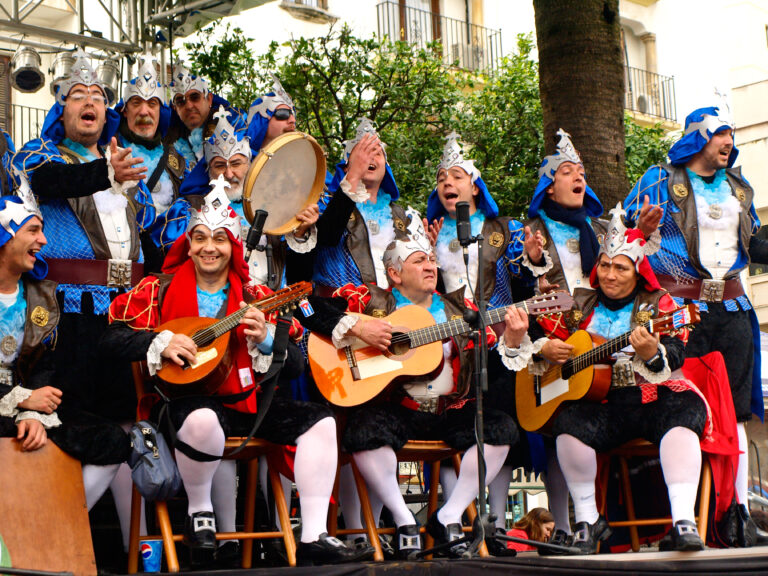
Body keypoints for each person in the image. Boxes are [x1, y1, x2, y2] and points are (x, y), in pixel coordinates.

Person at [103, 185, 367, 567]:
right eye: (200, 238)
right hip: (181, 405)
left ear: (234, 248)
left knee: (321, 423)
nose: (209, 247)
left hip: (245, 404)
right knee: (203, 418)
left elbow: (293, 362)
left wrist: (264, 342)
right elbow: (111, 339)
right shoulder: (156, 291)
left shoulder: (255, 295)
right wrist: (158, 341)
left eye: (220, 239)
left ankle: (313, 534)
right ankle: (200, 513)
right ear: (188, 245)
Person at [305, 217, 530, 558]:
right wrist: (358, 327)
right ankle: (403, 516)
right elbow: (308, 307)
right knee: (364, 431)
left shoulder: (461, 309)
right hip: (397, 409)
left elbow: (492, 369)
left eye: (431, 259)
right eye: (419, 260)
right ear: (394, 274)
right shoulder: (368, 299)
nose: (430, 266)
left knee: (501, 428)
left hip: (448, 409)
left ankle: (448, 514)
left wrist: (510, 341)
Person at [11, 49, 148, 552]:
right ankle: (44, 537)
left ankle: (126, 547)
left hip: (121, 314)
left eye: (97, 97)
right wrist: (102, 175)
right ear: (61, 110)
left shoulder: (128, 169)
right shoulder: (39, 155)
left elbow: (148, 241)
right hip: (64, 312)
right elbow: (53, 183)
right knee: (69, 426)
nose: (89, 103)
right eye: (77, 96)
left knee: (123, 425)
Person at [624, 105, 768, 543]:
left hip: (733, 307)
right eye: (721, 133)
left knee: (738, 413)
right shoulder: (658, 180)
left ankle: (738, 513)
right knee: (679, 406)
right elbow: (625, 235)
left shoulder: (739, 188)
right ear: (698, 138)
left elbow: (753, 244)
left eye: (731, 133)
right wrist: (639, 226)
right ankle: (682, 517)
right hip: (680, 310)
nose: (728, 141)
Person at [533, 205, 710, 554]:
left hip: (648, 399)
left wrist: (651, 354)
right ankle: (587, 522)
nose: (609, 275)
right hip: (603, 405)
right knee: (567, 421)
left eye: (620, 267)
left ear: (637, 270)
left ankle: (683, 521)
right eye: (604, 265)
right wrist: (546, 349)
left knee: (684, 410)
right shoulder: (581, 303)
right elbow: (545, 329)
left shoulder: (661, 304)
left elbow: (676, 352)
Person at [425, 132, 534, 551]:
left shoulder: (504, 230)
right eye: (440, 178)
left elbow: (526, 283)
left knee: (501, 422)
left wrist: (536, 258)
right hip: (449, 348)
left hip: (498, 342)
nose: (447, 183)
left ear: (474, 185)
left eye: (455, 175)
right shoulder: (429, 232)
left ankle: (495, 524)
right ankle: (460, 519)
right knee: (459, 430)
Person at [516, 128, 609, 548]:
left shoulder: (602, 229)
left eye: (582, 172)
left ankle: (590, 521)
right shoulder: (530, 229)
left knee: (585, 426)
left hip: (597, 335)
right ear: (549, 188)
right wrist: (532, 262)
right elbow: (516, 297)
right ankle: (565, 528)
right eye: (568, 171)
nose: (579, 178)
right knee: (555, 429)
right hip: (552, 339)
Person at [177, 106, 318, 286]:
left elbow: (298, 273)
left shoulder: (273, 207)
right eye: (220, 166)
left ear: (250, 166)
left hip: (269, 304)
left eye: (236, 164)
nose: (229, 174)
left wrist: (300, 232)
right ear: (208, 171)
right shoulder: (190, 209)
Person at [312, 117, 410, 294]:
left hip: (396, 310)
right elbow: (326, 237)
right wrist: (353, 177)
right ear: (347, 165)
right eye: (362, 153)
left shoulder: (399, 214)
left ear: (386, 167)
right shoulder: (325, 202)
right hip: (345, 308)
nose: (369, 157)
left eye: (377, 152)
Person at [0, 195, 62, 452]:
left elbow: (44, 363)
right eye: (33, 230)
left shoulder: (43, 297)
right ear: (5, 238)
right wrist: (22, 399)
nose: (44, 240)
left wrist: (33, 413)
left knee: (108, 439)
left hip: (23, 402)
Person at [115, 53, 187, 267]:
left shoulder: (177, 161)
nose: (144, 111)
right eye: (137, 102)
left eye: (152, 103)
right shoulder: (107, 153)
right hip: (124, 261)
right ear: (125, 110)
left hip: (165, 266)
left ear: (160, 111)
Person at [166, 61, 245, 170]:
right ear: (175, 108)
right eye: (180, 101)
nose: (189, 106)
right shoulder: (168, 141)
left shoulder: (234, 125)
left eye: (195, 97)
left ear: (209, 99)